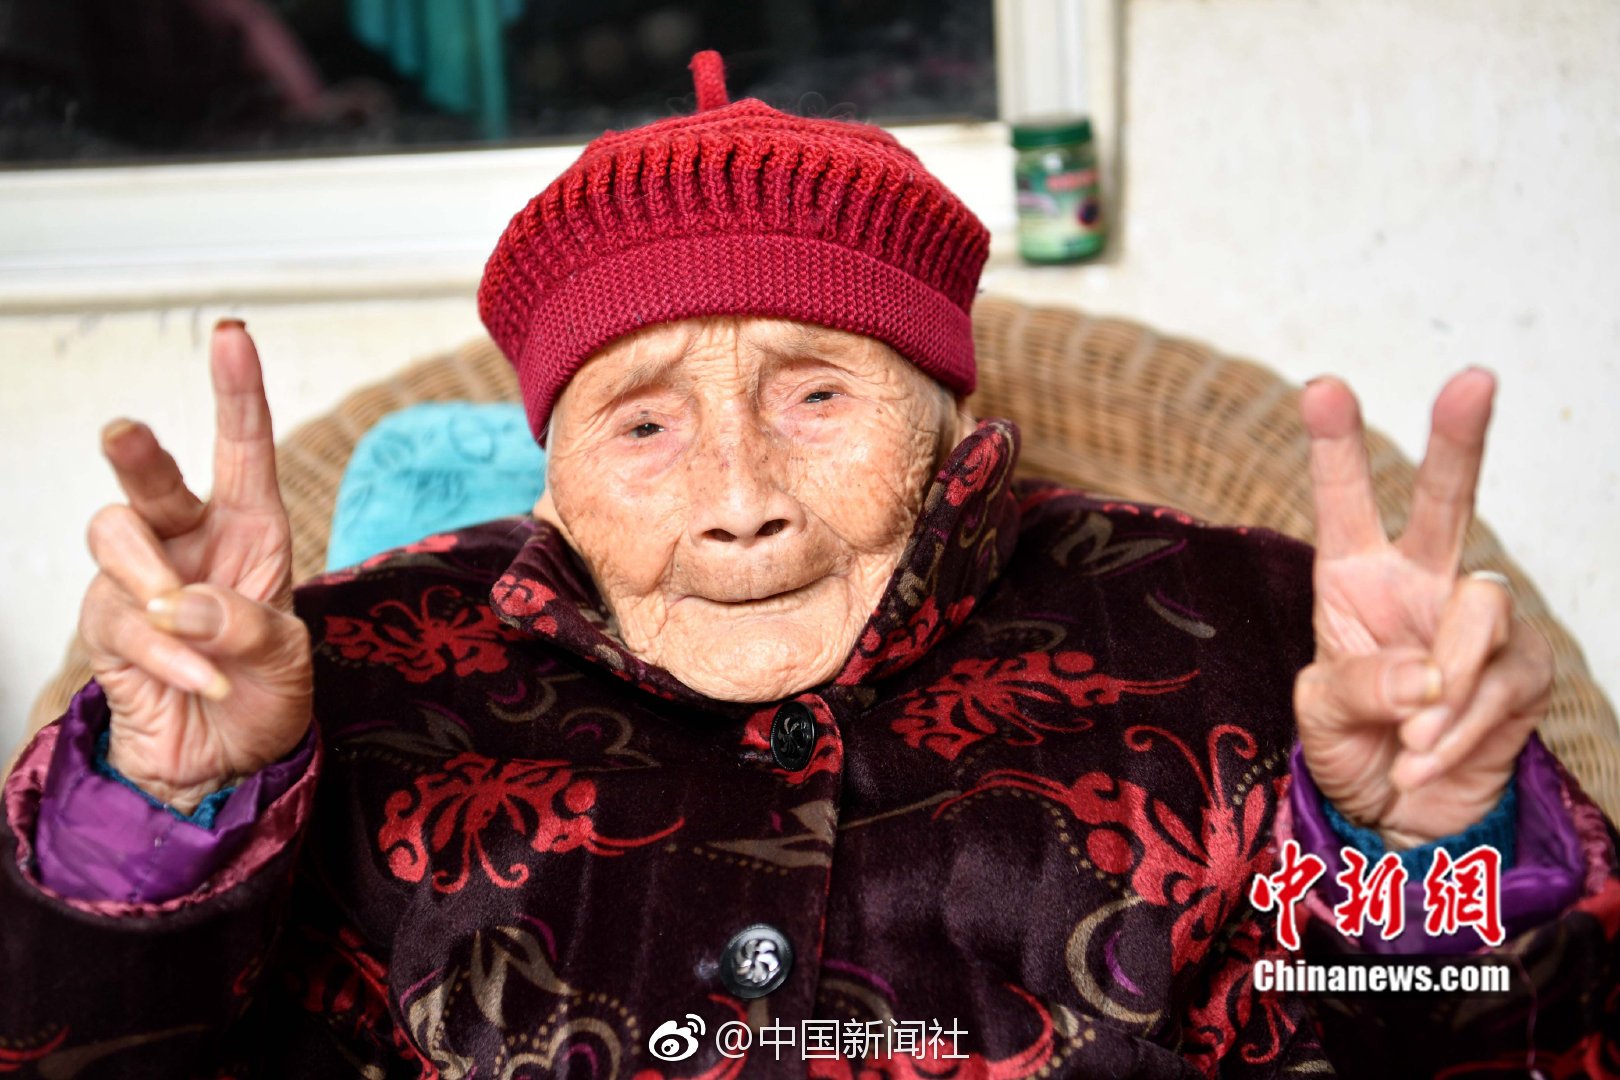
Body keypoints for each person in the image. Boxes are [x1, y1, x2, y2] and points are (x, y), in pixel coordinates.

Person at [2, 51, 1616, 1079]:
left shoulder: (1251, 632)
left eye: (817, 394)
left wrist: (1422, 854)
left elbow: (1497, 1053)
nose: (741, 503)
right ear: (551, 462)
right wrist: (166, 805)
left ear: (945, 416)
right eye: (643, 425)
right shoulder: (349, 669)